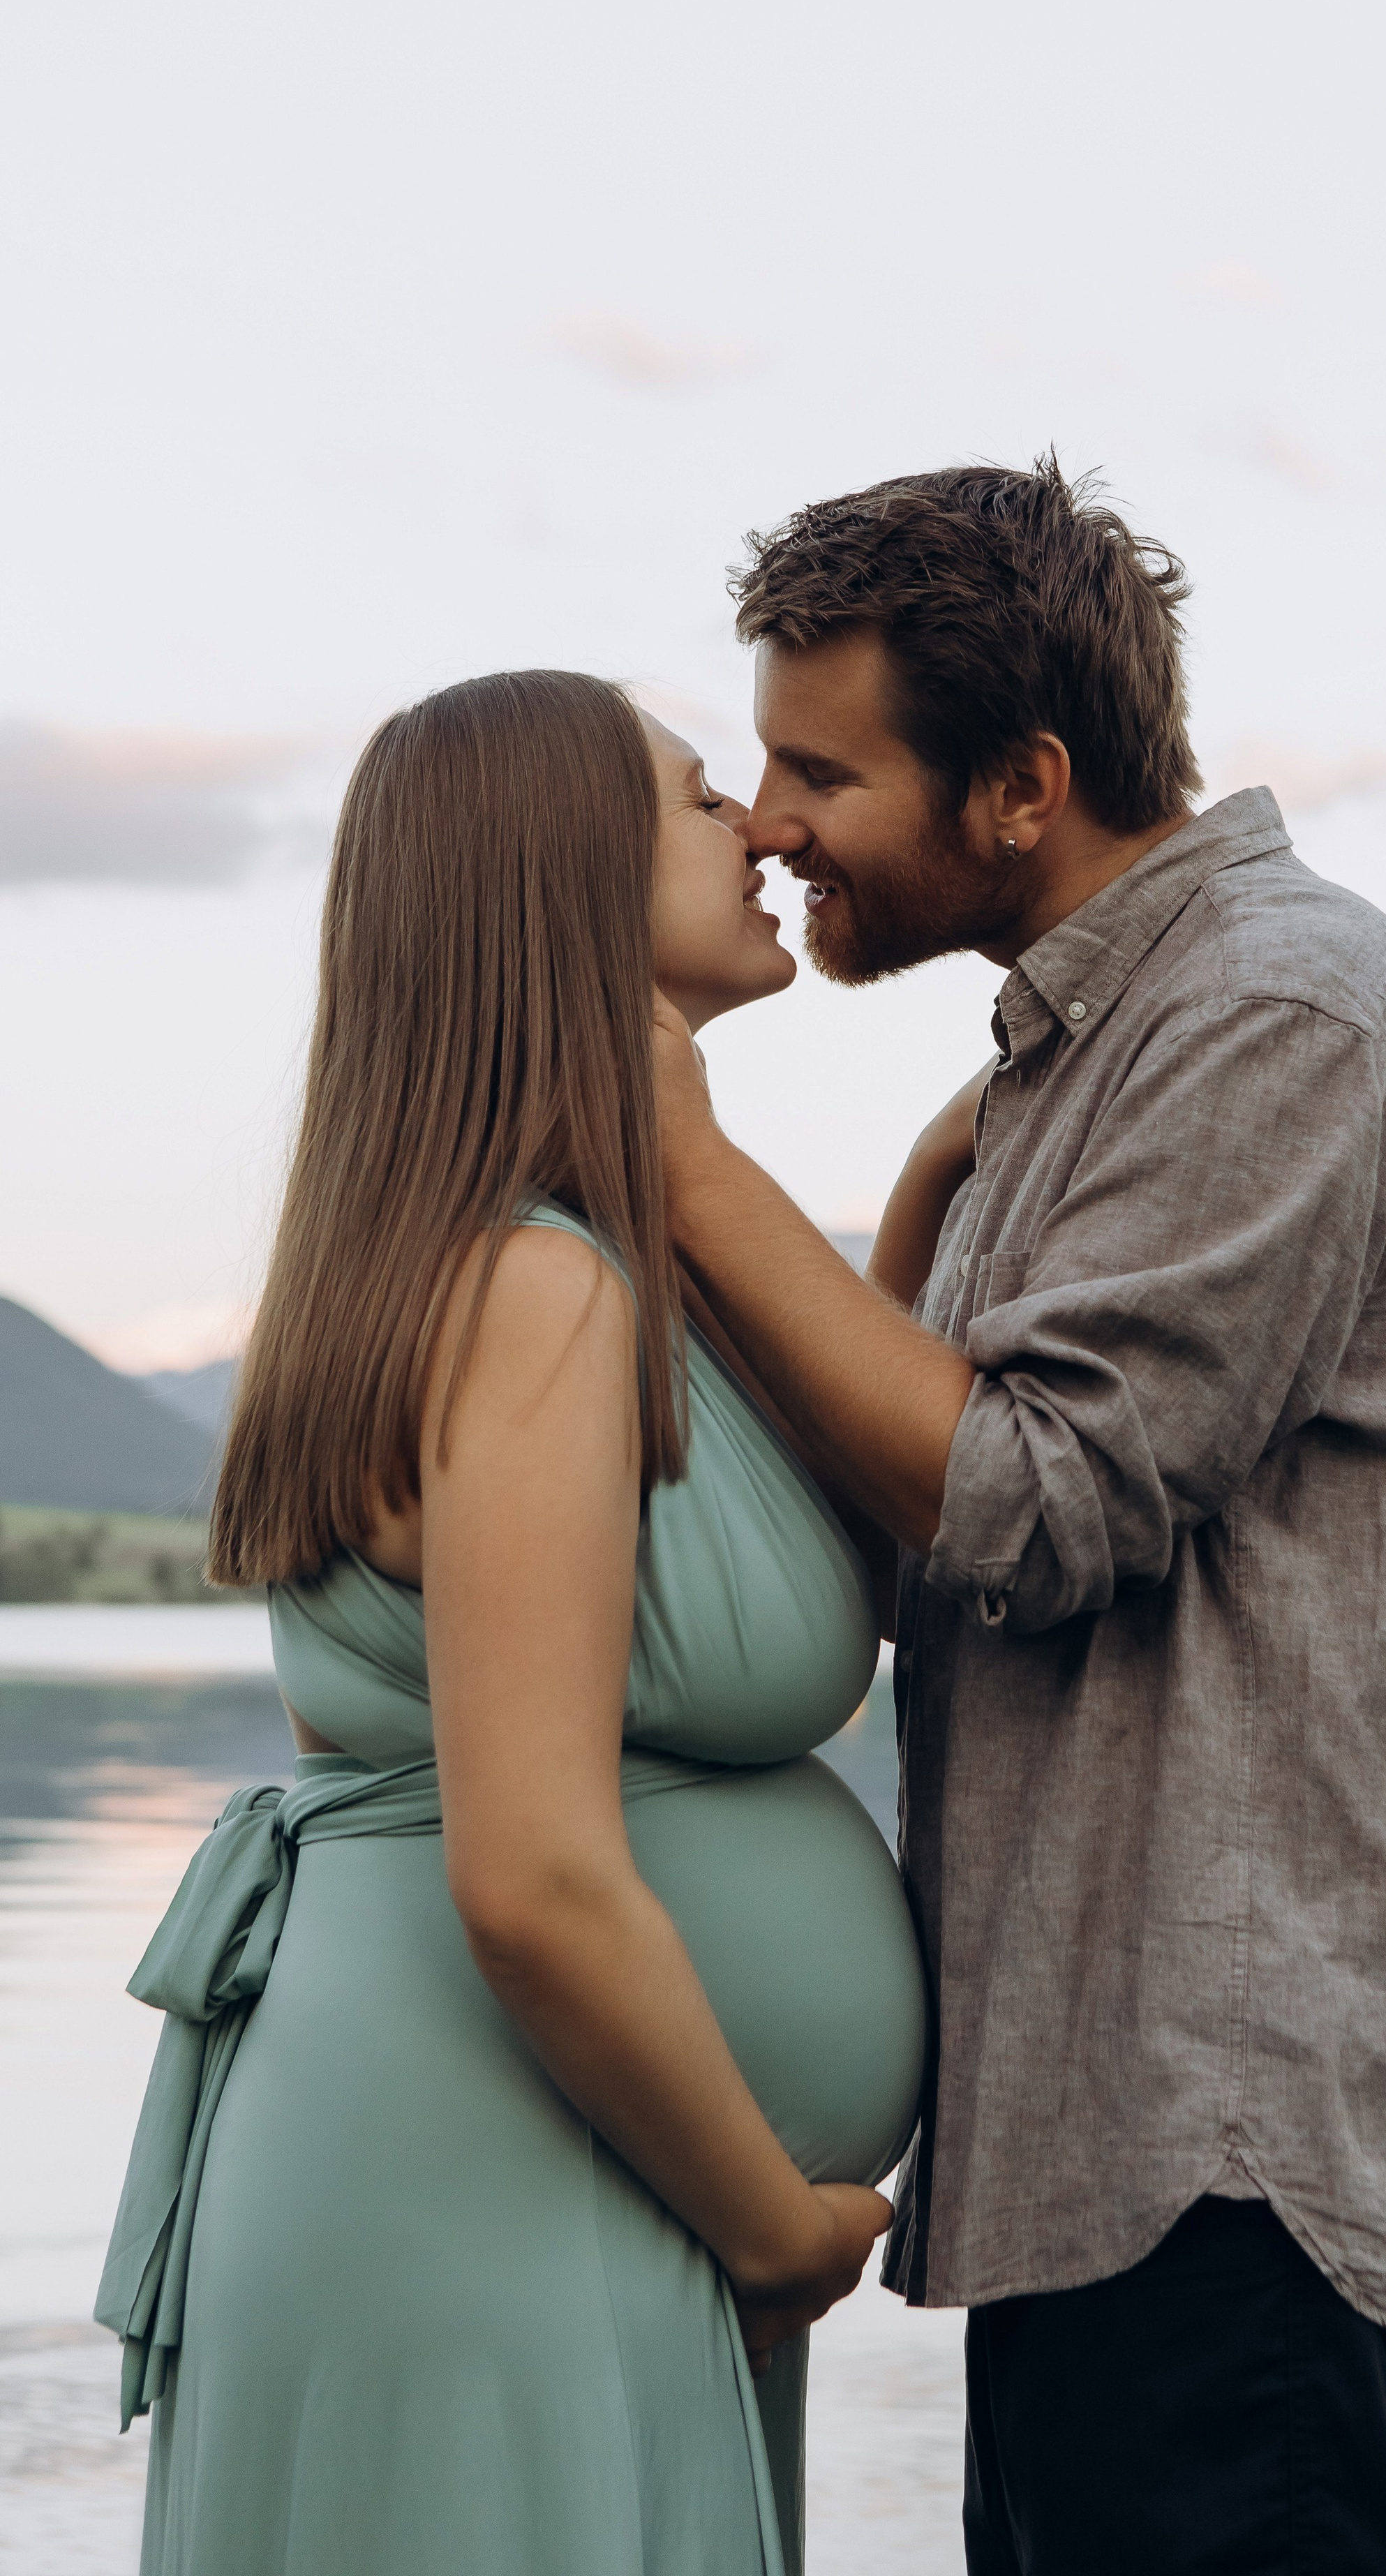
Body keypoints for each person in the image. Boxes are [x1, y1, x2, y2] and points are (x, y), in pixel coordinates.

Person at [648, 459, 1386, 2575]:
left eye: (824, 766)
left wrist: (679, 1153)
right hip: (1146, 2163)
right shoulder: (1095, 1046)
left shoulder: (1277, 1007)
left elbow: (1036, 1495)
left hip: (1259, 2180)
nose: (774, 819)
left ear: (1023, 785)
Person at [95, 670, 927, 2576]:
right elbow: (533, 1874)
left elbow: (858, 1536)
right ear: (559, 881)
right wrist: (769, 2223)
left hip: (543, 2156)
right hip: (525, 2172)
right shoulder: (539, 1294)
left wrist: (920, 1199)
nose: (759, 829)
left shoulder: (555, 1261)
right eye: (699, 795)